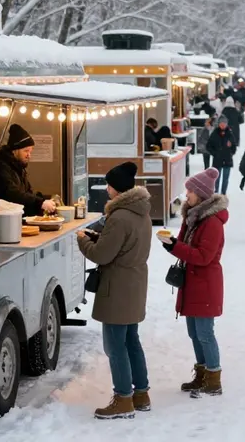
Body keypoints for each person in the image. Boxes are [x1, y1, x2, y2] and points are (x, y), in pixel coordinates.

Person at [77, 163, 152, 419]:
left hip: (118, 287)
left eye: (109, 184)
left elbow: (103, 255)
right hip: (135, 283)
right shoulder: (140, 212)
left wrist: (84, 240)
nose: (106, 188)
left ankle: (122, 399)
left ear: (117, 188)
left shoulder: (119, 216)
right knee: (132, 342)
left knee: (115, 346)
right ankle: (141, 393)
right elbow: (123, 246)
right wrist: (101, 238)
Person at [161, 168, 228, 397]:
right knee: (194, 332)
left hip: (205, 284)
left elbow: (203, 256)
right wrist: (171, 243)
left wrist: (176, 247)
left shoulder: (212, 222)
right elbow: (184, 247)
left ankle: (213, 378)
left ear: (200, 193)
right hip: (192, 283)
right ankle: (201, 374)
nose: (186, 194)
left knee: (205, 333)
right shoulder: (193, 217)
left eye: (190, 190)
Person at [0, 124, 56, 215]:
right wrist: (40, 202)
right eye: (26, 151)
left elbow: (27, 193)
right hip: (6, 220)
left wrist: (44, 199)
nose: (29, 155)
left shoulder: (19, 168)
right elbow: (13, 194)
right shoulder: (1, 168)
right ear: (15, 150)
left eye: (30, 151)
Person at [207, 115, 237, 195]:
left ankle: (223, 193)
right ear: (219, 124)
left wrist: (231, 151)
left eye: (224, 123)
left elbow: (234, 146)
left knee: (225, 178)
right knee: (216, 177)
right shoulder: (214, 133)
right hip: (217, 159)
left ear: (227, 124)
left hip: (227, 159)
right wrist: (215, 153)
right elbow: (208, 146)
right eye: (221, 123)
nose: (223, 125)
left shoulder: (230, 133)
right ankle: (216, 192)